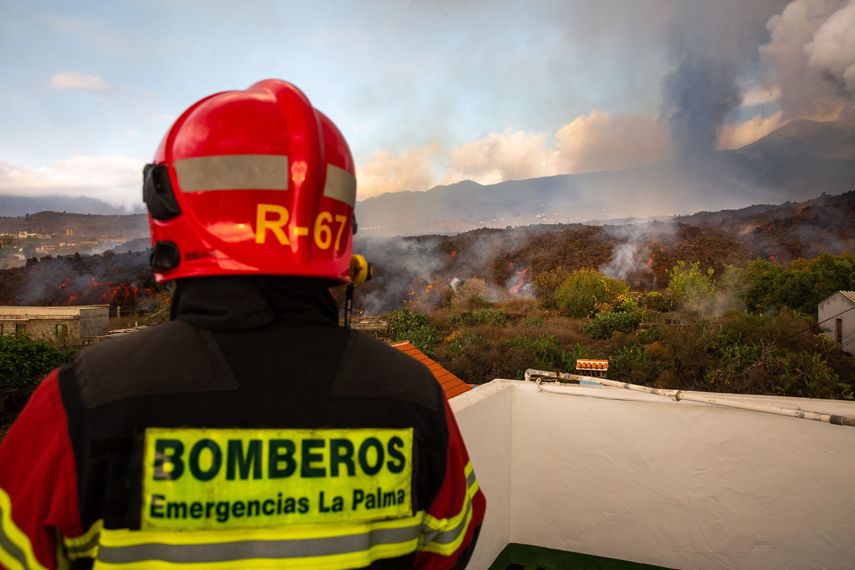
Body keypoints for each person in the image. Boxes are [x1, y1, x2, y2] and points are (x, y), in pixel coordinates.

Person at [0, 79, 485, 569]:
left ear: (169, 203)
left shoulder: (82, 402)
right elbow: (453, 544)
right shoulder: (415, 398)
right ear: (339, 222)